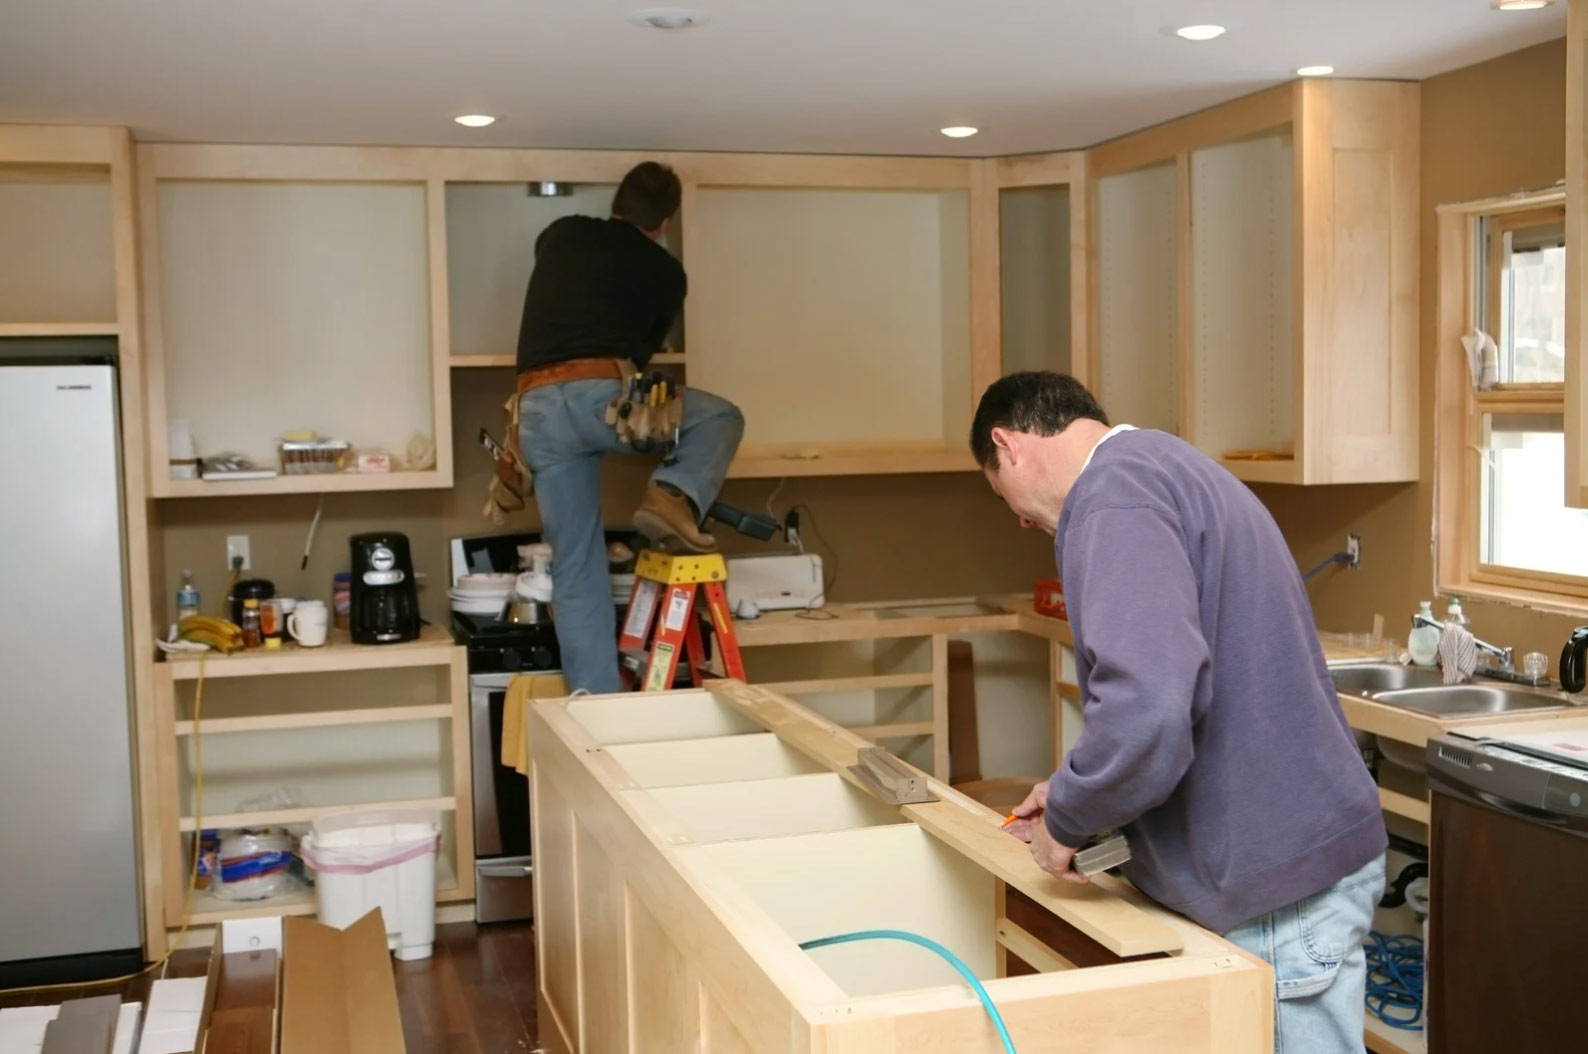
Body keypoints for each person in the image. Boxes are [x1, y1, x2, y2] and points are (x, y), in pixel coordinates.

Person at [971, 372, 1386, 1054]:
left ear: (1008, 445)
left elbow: (1151, 707)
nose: (1017, 518)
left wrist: (1072, 821)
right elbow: (1174, 695)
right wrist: (1078, 786)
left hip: (1272, 888)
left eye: (1001, 496)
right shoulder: (1165, 465)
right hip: (1284, 862)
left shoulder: (1111, 500)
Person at [515, 161, 744, 694]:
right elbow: (636, 363)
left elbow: (553, 271)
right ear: (665, 221)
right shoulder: (667, 274)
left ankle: (596, 703)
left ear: (615, 204)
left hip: (535, 413)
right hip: (598, 398)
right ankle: (672, 495)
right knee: (721, 416)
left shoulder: (563, 232)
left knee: (575, 570)